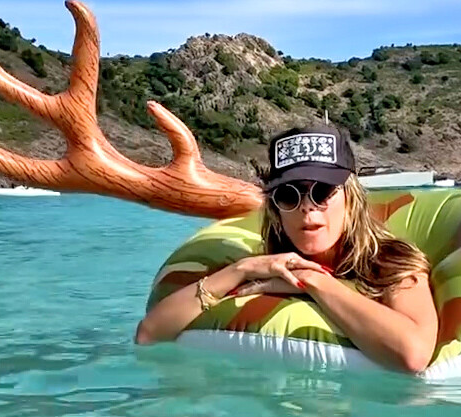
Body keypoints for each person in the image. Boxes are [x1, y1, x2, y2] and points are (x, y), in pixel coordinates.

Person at [135, 125, 439, 374]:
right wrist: (240, 270)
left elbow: (412, 355)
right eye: (289, 196)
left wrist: (311, 281)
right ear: (276, 209)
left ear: (351, 199)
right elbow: (150, 333)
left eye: (322, 191)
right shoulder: (267, 267)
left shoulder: (390, 262)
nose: (307, 207)